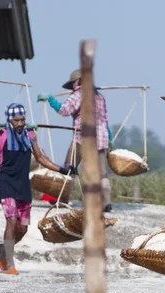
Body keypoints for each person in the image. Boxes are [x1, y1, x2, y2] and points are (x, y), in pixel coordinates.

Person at [0, 103, 76, 275]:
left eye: (23, 119)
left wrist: (63, 169)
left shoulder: (30, 135)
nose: (20, 123)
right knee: (11, 220)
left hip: (23, 185)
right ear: (9, 120)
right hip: (6, 182)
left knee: (23, 229)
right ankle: (10, 264)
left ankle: (2, 251)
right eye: (17, 120)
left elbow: (40, 158)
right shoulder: (0, 135)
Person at [37, 69, 113, 212]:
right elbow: (105, 120)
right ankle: (106, 203)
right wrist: (110, 138)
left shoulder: (78, 95)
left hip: (83, 137)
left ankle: (61, 198)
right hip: (101, 139)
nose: (72, 86)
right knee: (102, 173)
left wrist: (50, 99)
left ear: (78, 82)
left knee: (69, 166)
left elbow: (64, 110)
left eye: (73, 83)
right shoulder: (99, 97)